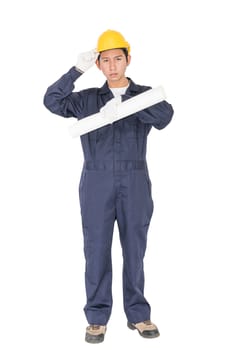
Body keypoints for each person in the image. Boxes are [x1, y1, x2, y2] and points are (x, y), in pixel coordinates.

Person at [44, 29, 174, 344]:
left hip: (135, 180)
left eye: (118, 58)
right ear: (99, 65)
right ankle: (97, 317)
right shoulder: (87, 99)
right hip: (96, 181)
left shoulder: (145, 94)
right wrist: (76, 70)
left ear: (128, 59)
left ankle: (138, 314)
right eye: (105, 60)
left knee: (135, 250)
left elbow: (165, 115)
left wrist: (128, 102)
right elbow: (52, 100)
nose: (113, 65)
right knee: (96, 251)